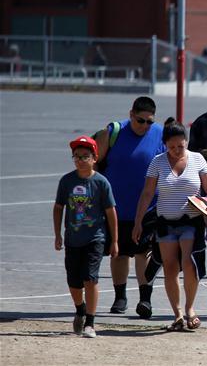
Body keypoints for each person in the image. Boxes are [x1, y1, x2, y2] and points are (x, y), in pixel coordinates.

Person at [132, 120, 207, 332]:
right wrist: (138, 222)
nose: (176, 150)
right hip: (165, 222)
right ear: (165, 145)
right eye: (172, 147)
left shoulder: (197, 159)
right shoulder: (158, 162)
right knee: (170, 267)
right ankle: (178, 314)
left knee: (189, 263)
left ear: (186, 142)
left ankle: (190, 309)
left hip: (190, 220)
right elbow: (147, 193)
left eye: (181, 146)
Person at [94, 96, 165, 318]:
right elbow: (95, 162)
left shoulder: (160, 133)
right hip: (117, 205)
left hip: (148, 206)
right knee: (120, 253)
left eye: (149, 122)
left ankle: (145, 298)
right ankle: (120, 296)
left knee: (144, 252)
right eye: (140, 120)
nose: (144, 126)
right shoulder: (114, 131)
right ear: (131, 114)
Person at [54, 136, 118, 338]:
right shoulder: (67, 181)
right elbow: (58, 208)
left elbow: (110, 212)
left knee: (90, 279)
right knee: (74, 283)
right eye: (77, 157)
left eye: (85, 156)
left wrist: (114, 240)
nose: (81, 160)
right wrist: (58, 234)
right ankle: (80, 308)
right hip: (73, 239)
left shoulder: (101, 183)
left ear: (94, 158)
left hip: (95, 238)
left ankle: (90, 322)